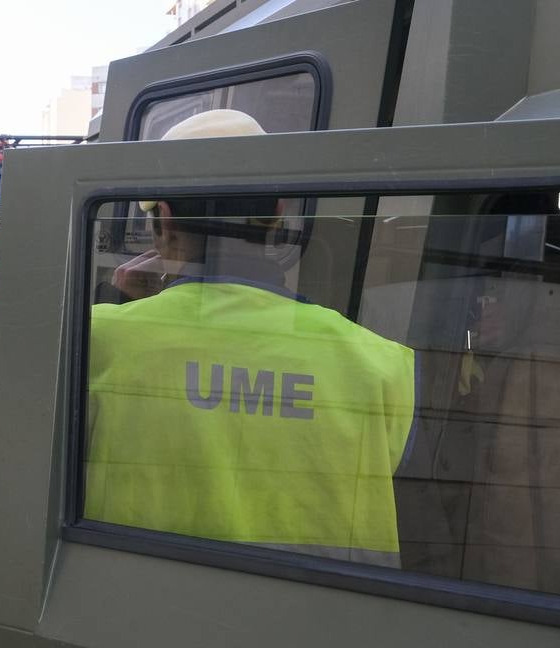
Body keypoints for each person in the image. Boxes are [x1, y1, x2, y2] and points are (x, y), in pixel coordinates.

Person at [85, 109, 416, 566]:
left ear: (162, 219)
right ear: (277, 215)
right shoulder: (381, 363)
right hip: (330, 624)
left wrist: (125, 303)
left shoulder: (97, 340)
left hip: (141, 617)